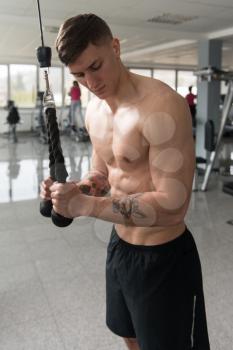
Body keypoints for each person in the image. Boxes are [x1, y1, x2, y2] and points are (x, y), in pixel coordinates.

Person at [40, 14, 210, 350]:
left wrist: (87, 205)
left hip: (164, 258)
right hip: (120, 249)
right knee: (128, 335)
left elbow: (174, 206)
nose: (90, 81)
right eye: (78, 75)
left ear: (115, 47)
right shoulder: (95, 111)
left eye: (95, 66)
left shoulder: (162, 107)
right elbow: (101, 176)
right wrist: (77, 191)